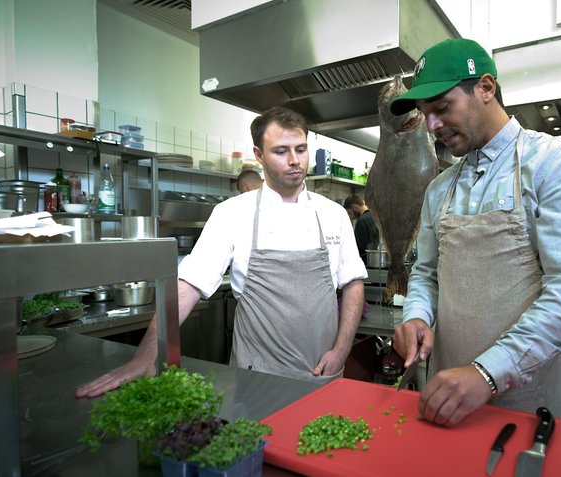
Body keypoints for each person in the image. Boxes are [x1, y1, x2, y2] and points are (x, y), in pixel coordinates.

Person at [77, 106, 367, 397]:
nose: (295, 161)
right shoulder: (232, 213)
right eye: (281, 151)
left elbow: (353, 283)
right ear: (259, 154)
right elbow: (188, 285)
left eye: (301, 149)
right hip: (256, 377)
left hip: (323, 373)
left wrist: (341, 351)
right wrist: (148, 351)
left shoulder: (333, 214)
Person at [389, 38, 561, 429]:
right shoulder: (439, 188)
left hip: (532, 396)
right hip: (448, 392)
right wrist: (417, 315)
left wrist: (486, 373)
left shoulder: (554, 164)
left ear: (485, 88)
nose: (433, 125)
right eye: (425, 114)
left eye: (441, 108)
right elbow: (425, 273)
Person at [343, 194, 380, 260]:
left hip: (366, 261)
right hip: (378, 260)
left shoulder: (361, 221)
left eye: (350, 213)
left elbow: (360, 248)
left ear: (354, 207)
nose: (352, 217)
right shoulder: (376, 216)